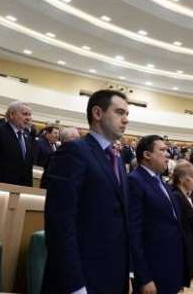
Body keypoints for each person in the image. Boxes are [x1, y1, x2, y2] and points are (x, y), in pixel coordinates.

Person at [42, 90, 131, 294]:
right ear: (97, 113)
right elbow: (60, 224)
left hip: (112, 277)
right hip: (81, 280)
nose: (125, 120)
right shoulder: (73, 151)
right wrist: (74, 286)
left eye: (127, 115)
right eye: (119, 112)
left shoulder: (117, 159)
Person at [129, 134, 184, 294]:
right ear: (147, 155)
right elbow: (134, 234)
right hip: (153, 273)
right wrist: (144, 277)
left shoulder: (160, 181)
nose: (168, 155)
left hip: (171, 270)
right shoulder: (135, 181)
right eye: (162, 150)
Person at [171, 161, 193, 288]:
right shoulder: (176, 196)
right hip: (182, 252)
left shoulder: (185, 196)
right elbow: (181, 229)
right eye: (192, 176)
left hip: (189, 250)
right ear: (182, 179)